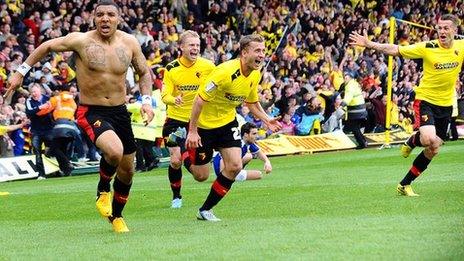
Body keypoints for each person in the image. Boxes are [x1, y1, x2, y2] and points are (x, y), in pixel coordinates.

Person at [5, 0, 154, 232]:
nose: (105, 19)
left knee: (128, 169)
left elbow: (144, 73)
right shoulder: (81, 41)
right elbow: (45, 46)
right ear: (93, 18)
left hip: (120, 112)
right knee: (114, 151)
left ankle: (117, 216)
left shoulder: (130, 43)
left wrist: (147, 102)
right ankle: (103, 190)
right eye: (100, 15)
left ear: (119, 18)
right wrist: (20, 72)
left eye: (110, 15)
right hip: (91, 110)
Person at [349, 14, 464, 196]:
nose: (441, 31)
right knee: (427, 138)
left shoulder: (461, 46)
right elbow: (396, 50)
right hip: (426, 100)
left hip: (446, 104)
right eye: (439, 27)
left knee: (434, 148)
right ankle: (413, 140)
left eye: (446, 28)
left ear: (455, 30)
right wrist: (370, 44)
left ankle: (404, 184)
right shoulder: (427, 47)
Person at [185, 34, 282, 221]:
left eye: (263, 50)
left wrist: (266, 119)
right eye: (257, 50)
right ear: (244, 53)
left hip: (227, 123)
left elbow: (252, 103)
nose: (262, 55)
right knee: (200, 175)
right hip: (204, 126)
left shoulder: (255, 73)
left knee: (235, 166)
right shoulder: (224, 72)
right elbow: (199, 101)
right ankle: (183, 149)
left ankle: (205, 210)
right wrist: (192, 131)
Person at [161, 30, 215, 209]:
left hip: (198, 122)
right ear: (181, 47)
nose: (195, 48)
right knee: (175, 160)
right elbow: (165, 95)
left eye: (198, 45)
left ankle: (187, 154)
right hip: (175, 121)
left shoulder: (208, 66)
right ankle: (176, 196)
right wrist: (173, 99)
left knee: (201, 176)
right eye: (191, 45)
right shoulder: (171, 68)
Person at [37, 84, 79, 176]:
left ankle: (67, 164)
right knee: (62, 149)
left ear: (60, 91)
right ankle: (66, 170)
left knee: (54, 149)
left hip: (60, 126)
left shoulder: (57, 98)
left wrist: (35, 113)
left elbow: (45, 110)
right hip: (72, 127)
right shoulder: (73, 101)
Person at [25, 84, 54, 180]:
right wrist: (40, 108)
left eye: (35, 91)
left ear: (40, 91)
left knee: (54, 148)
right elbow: (29, 112)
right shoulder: (29, 101)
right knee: (37, 152)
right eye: (32, 92)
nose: (34, 94)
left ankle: (60, 169)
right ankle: (41, 174)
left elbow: (52, 109)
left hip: (49, 128)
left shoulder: (47, 98)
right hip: (36, 130)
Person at [341, 70, 368, 149]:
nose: (345, 79)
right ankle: (363, 141)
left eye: (346, 77)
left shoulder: (349, 85)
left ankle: (362, 143)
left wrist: (343, 103)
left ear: (350, 77)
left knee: (354, 127)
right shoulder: (354, 83)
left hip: (356, 110)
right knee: (355, 127)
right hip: (360, 109)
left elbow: (349, 95)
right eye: (344, 77)